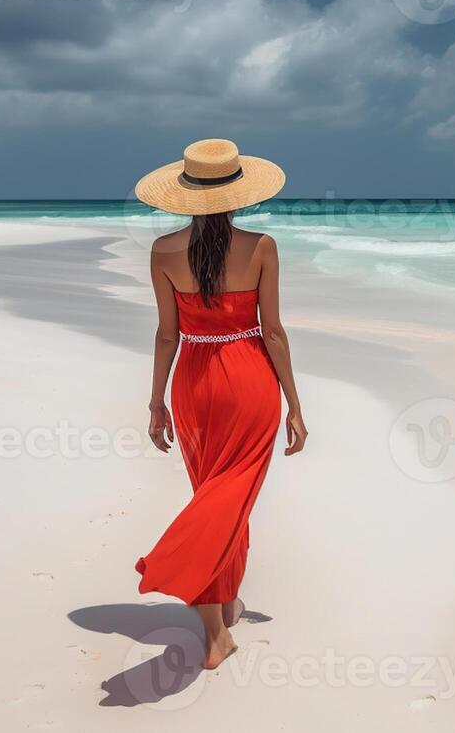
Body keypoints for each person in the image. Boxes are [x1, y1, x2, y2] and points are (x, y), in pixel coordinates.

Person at [131, 138, 308, 669]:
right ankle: (214, 633)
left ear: (185, 195)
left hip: (193, 383)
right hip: (249, 383)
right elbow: (272, 333)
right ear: (237, 194)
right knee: (228, 498)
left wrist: (156, 400)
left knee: (214, 492)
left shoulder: (163, 251)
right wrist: (295, 405)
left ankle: (223, 602)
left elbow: (168, 334)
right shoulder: (261, 247)